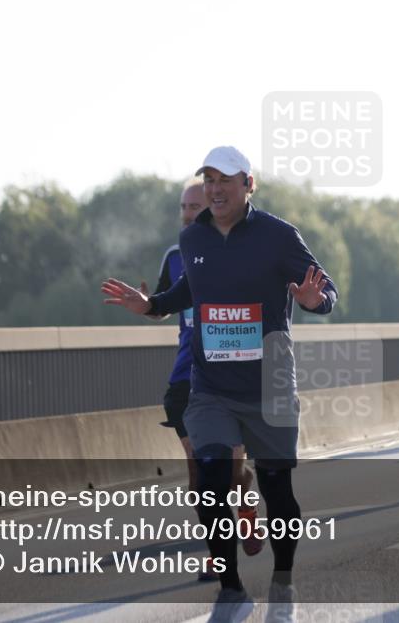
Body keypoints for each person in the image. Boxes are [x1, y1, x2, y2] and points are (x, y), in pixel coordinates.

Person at [103, 145, 337, 623]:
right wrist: (149, 305)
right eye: (208, 180)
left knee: (276, 488)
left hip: (269, 382)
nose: (214, 188)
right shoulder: (194, 239)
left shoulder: (278, 236)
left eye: (224, 180)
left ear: (248, 184)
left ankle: (283, 579)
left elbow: (326, 292)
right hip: (210, 386)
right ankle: (231, 587)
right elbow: (189, 292)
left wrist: (314, 300)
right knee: (210, 480)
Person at [148, 178, 264, 581]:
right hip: (186, 380)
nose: (186, 214)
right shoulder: (175, 256)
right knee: (201, 477)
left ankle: (246, 506)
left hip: (231, 378)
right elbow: (163, 304)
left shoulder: (244, 251)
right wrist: (146, 303)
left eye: (194, 207)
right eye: (183, 206)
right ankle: (219, 558)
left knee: (230, 475)